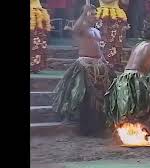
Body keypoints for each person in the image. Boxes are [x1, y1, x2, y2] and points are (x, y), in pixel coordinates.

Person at [52, 5, 116, 137]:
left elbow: (98, 48)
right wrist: (84, 12)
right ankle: (85, 127)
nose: (94, 16)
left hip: (98, 65)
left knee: (100, 97)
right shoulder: (82, 28)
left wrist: (104, 61)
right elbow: (75, 29)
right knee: (86, 96)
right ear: (86, 14)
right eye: (91, 14)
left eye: (95, 14)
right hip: (84, 64)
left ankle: (98, 126)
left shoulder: (95, 30)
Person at [96, 0, 130, 69]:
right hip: (104, 15)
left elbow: (125, 3)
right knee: (105, 40)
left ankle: (116, 62)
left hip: (117, 14)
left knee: (118, 40)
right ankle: (105, 62)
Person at [30, 0, 51, 73]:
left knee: (36, 50)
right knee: (37, 50)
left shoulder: (37, 11)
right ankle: (36, 67)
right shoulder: (42, 11)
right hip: (39, 33)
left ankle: (35, 67)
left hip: (36, 33)